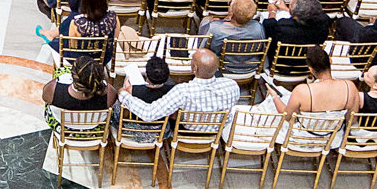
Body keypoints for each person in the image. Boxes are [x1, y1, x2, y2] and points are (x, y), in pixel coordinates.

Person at [123, 45, 252, 124]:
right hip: (216, 128)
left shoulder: (182, 91)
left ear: (194, 68)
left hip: (189, 129)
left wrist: (124, 94)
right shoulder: (232, 86)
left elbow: (149, 114)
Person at [272, 45, 358, 118]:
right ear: (330, 61)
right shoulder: (350, 87)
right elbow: (352, 119)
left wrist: (275, 97)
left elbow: (287, 117)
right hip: (335, 135)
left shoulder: (301, 91)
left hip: (303, 135)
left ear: (310, 69)